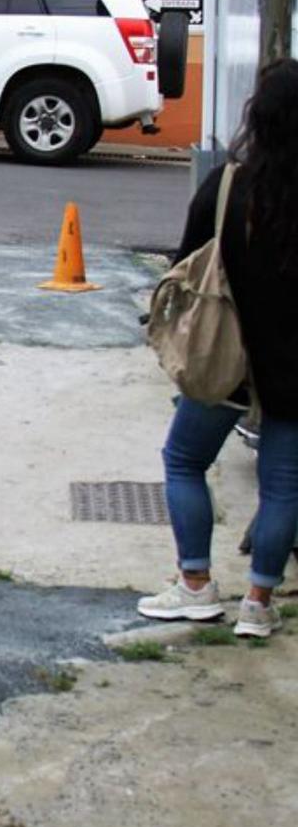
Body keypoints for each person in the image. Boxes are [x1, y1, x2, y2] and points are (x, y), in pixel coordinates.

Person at [138, 58, 298, 637]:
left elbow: (182, 261)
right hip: (293, 375)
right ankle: (258, 602)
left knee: (183, 461)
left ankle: (196, 586)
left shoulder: (228, 185)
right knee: (284, 488)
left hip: (223, 362)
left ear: (258, 116)